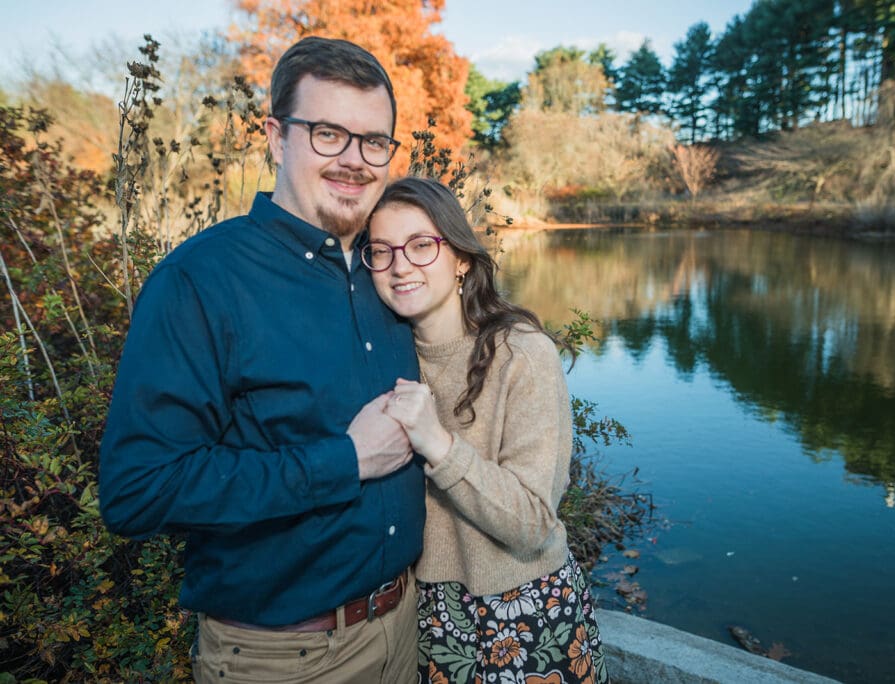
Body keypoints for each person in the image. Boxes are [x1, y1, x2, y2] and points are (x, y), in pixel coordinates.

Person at [99, 37, 423, 683]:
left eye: (374, 141)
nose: (355, 161)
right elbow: (137, 491)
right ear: (276, 137)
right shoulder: (201, 281)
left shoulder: (391, 270)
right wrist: (343, 461)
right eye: (329, 134)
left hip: (405, 625)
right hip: (284, 658)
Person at [363, 176, 608, 683]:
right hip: (425, 615)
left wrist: (439, 444)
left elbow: (534, 521)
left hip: (525, 609)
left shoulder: (521, 354)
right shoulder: (379, 360)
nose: (400, 265)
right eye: (381, 251)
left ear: (462, 259)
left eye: (420, 245)